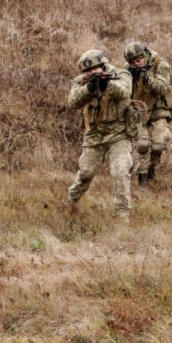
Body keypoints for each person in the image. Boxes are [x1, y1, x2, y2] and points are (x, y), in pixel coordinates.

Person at [67, 49, 133, 222]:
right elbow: (73, 101)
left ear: (103, 65)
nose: (91, 72)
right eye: (87, 71)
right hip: (94, 135)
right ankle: (71, 202)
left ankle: (122, 215)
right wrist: (89, 88)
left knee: (120, 171)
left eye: (94, 69)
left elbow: (125, 93)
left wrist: (107, 85)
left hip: (119, 133)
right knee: (86, 173)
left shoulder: (121, 74)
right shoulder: (81, 81)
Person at [124, 42, 172, 186]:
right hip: (140, 108)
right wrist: (130, 78)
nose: (136, 64)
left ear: (145, 56)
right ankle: (142, 177)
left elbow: (162, 87)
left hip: (159, 108)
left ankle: (152, 168)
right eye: (132, 62)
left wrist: (146, 79)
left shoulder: (160, 65)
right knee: (142, 144)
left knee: (158, 144)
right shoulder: (129, 69)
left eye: (138, 61)